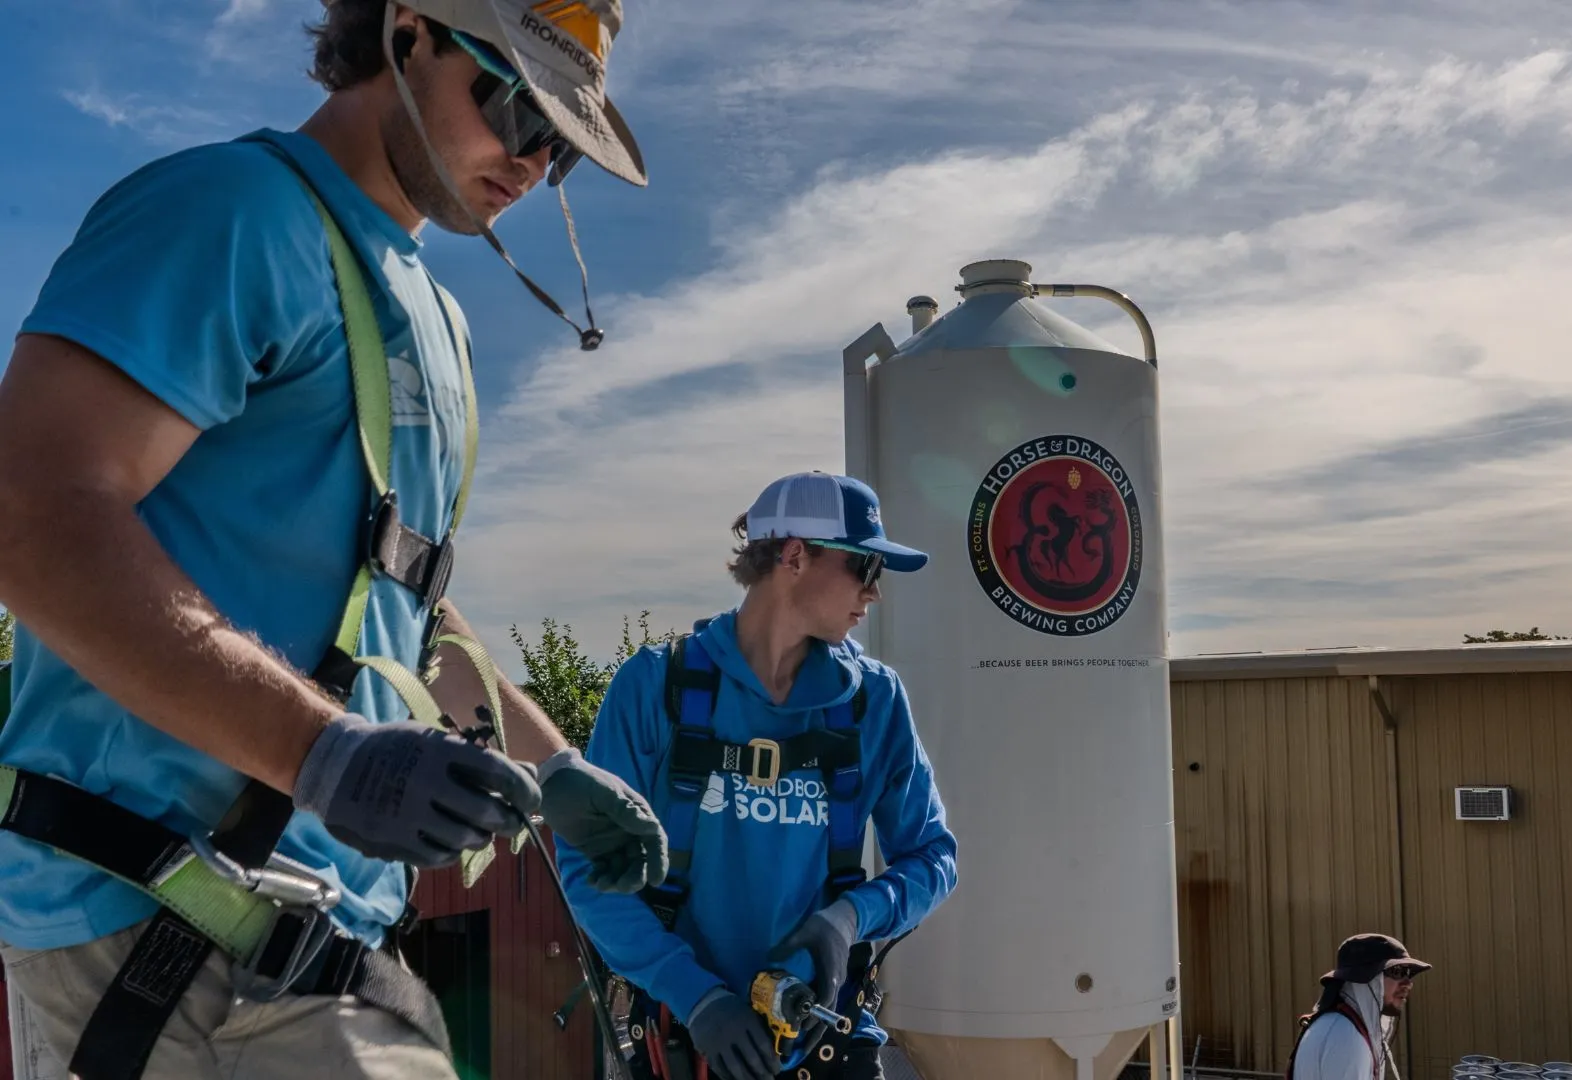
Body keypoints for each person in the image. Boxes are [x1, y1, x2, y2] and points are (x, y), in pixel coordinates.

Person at [0, 2, 663, 1077]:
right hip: (152, 917)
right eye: (516, 108)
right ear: (408, 31)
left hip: (312, 938)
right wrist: (325, 755)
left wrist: (556, 764)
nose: (534, 162)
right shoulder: (232, 212)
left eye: (563, 145)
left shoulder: (436, 318)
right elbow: (29, 513)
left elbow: (400, 603)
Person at [560, 472, 960, 1080]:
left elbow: (934, 858)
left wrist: (851, 917)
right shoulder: (654, 687)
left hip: (830, 1046)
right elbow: (588, 868)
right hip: (689, 1043)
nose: (875, 592)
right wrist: (697, 997)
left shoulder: (874, 702)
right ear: (794, 556)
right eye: (864, 567)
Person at [1287, 933, 1431, 1080]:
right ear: (1364, 978)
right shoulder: (1345, 1037)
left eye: (1408, 973)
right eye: (1397, 971)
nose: (1408, 984)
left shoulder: (1340, 1025)